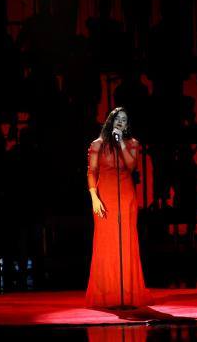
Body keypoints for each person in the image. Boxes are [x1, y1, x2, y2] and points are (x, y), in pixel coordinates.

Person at [85, 107, 153, 308]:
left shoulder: (132, 144)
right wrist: (94, 198)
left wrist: (121, 142)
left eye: (124, 119)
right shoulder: (97, 145)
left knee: (126, 243)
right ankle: (107, 292)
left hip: (125, 197)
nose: (121, 122)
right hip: (104, 196)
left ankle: (127, 292)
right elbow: (91, 171)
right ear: (110, 121)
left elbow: (132, 167)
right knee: (106, 244)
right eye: (117, 119)